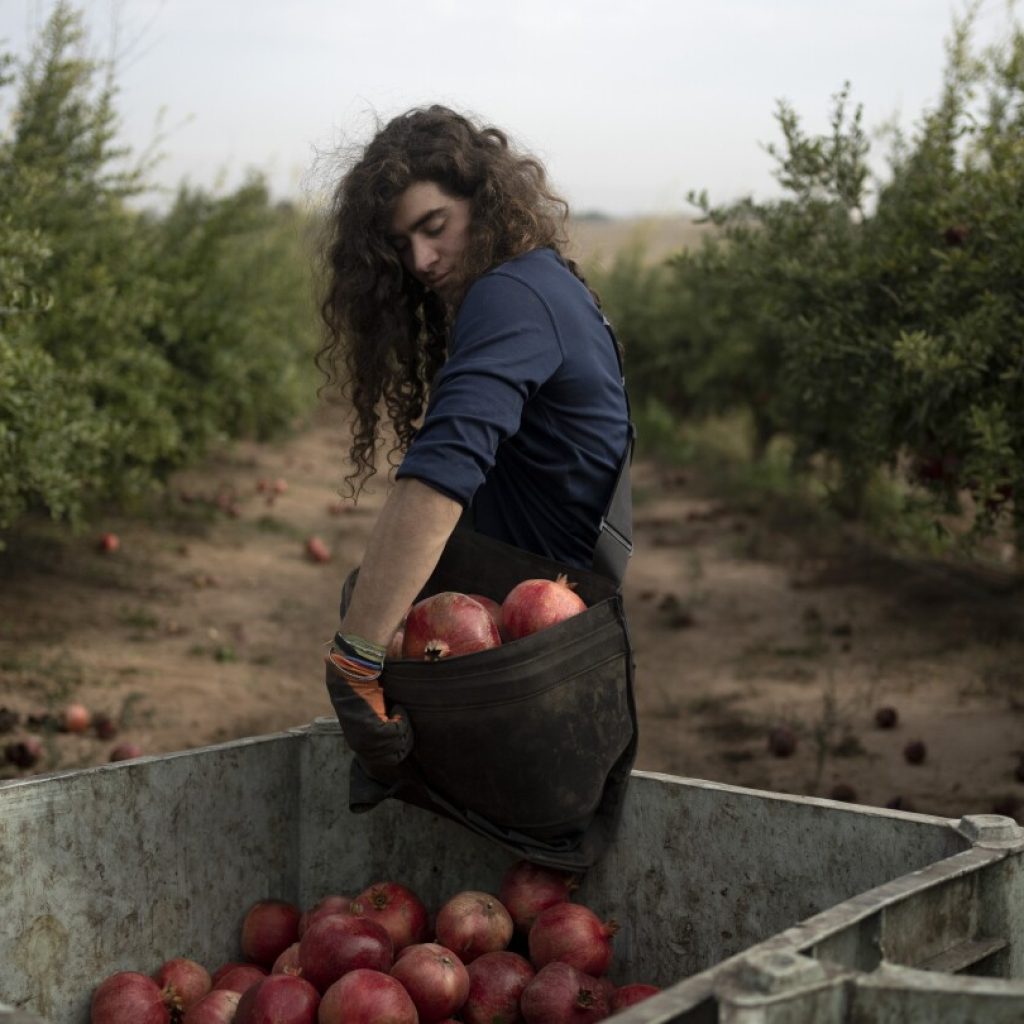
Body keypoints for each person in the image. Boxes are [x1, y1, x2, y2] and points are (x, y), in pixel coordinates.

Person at [317, 104, 631, 734]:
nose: (422, 261)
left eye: (435, 226)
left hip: (518, 663)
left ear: (484, 202)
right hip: (530, 637)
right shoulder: (548, 286)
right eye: (402, 245)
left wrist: (357, 657)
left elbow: (441, 475)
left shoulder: (511, 294)